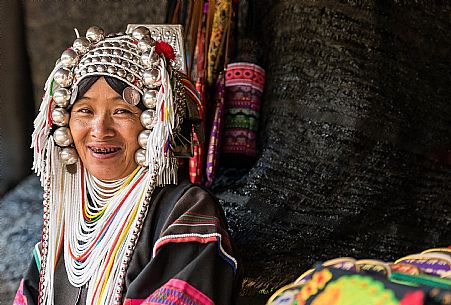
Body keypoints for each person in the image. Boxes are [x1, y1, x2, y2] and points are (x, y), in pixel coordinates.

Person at [13, 25, 241, 305]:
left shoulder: (185, 213)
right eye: (84, 110)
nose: (100, 129)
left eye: (122, 111)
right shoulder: (60, 231)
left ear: (155, 123)